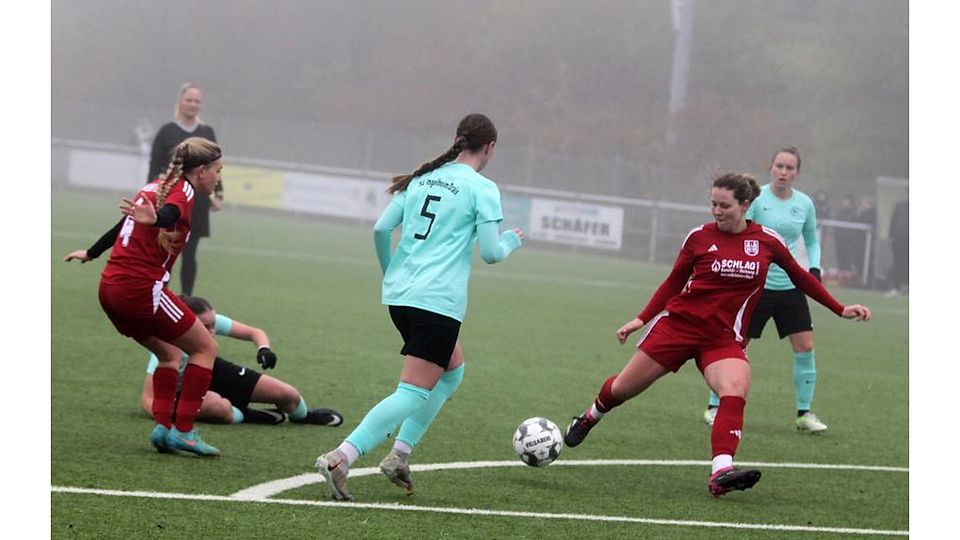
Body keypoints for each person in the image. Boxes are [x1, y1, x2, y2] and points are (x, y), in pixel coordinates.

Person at [562, 172, 870, 497]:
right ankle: (588, 417)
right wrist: (642, 318)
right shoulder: (698, 237)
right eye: (713, 204)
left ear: (746, 205)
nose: (717, 211)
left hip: (723, 338)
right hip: (678, 327)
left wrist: (840, 308)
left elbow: (801, 278)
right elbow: (673, 283)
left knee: (735, 388)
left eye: (725, 205)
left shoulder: (768, 242)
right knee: (623, 389)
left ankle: (721, 471)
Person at [314, 113, 524, 501]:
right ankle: (342, 457)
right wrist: (512, 241)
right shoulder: (482, 188)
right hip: (436, 302)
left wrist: (388, 272)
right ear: (490, 147)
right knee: (411, 392)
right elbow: (492, 253)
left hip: (401, 296)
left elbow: (380, 229)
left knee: (451, 372)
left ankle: (400, 454)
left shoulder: (423, 177)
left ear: (457, 139)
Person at [64, 137, 226, 457]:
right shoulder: (184, 191)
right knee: (206, 347)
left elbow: (131, 221)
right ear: (202, 170)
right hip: (139, 290)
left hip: (110, 288)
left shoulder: (157, 186)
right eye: (218, 171)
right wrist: (156, 220)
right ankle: (184, 431)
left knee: (169, 354)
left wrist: (92, 252)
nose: (219, 178)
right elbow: (168, 214)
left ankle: (164, 430)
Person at [703, 146, 830, 433]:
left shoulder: (805, 204)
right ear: (770, 167)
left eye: (790, 168)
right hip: (755, 287)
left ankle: (804, 413)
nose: (783, 172)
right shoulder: (757, 200)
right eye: (779, 166)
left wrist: (815, 268)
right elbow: (740, 234)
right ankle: (714, 405)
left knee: (805, 346)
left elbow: (811, 239)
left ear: (797, 172)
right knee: (734, 344)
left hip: (790, 285)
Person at [139, 295, 343, 427]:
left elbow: (254, 332)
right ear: (188, 324)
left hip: (212, 369)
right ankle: (247, 414)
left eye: (213, 324)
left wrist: (264, 349)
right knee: (219, 408)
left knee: (288, 394)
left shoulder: (210, 323)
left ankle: (304, 416)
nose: (212, 331)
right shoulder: (169, 344)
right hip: (182, 390)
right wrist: (171, 413)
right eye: (206, 326)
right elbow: (147, 400)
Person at [148, 83, 222, 296]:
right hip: (170, 200)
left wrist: (218, 194)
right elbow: (154, 166)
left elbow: (216, 165)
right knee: (165, 251)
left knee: (190, 252)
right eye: (189, 100)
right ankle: (159, 293)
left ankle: (186, 298)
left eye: (197, 101)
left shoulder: (207, 132)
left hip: (197, 202)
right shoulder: (166, 131)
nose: (193, 104)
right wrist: (153, 193)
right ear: (180, 102)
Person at [886, 198, 909, 296]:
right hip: (899, 240)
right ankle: (896, 287)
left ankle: (907, 286)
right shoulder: (900, 205)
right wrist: (891, 235)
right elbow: (893, 220)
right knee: (898, 263)